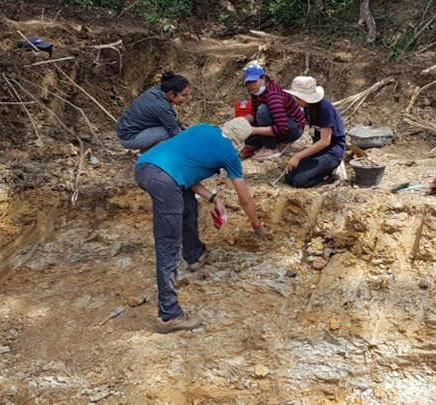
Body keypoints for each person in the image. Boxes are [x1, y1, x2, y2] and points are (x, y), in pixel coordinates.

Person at [134, 117, 266, 334]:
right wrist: (257, 226)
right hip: (163, 180)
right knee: (168, 243)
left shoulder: (203, 128)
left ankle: (194, 255)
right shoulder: (230, 153)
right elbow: (245, 199)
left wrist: (213, 198)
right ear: (240, 142)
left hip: (145, 167)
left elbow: (183, 169)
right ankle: (169, 315)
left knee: (187, 207)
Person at [282, 76, 346, 188]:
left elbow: (325, 141)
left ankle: (328, 172)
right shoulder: (309, 107)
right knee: (288, 176)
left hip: (331, 152)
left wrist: (298, 156)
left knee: (299, 181)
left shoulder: (325, 109)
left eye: (298, 98)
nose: (296, 101)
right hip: (318, 151)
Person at [238, 64, 306, 161]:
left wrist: (254, 130)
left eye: (254, 82)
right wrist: (241, 121)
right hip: (279, 121)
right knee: (252, 123)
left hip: (293, 127)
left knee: (262, 110)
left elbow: (282, 128)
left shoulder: (273, 95)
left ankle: (270, 148)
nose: (251, 86)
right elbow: (254, 114)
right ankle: (253, 144)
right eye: (249, 83)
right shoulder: (256, 92)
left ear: (263, 78)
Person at [115, 72, 191, 152]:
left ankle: (146, 152)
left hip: (124, 131)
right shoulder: (162, 107)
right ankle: (146, 155)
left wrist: (182, 126)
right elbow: (175, 132)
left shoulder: (157, 91)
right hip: (129, 138)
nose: (185, 99)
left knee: (176, 130)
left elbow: (168, 119)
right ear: (171, 93)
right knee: (169, 134)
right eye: (183, 95)